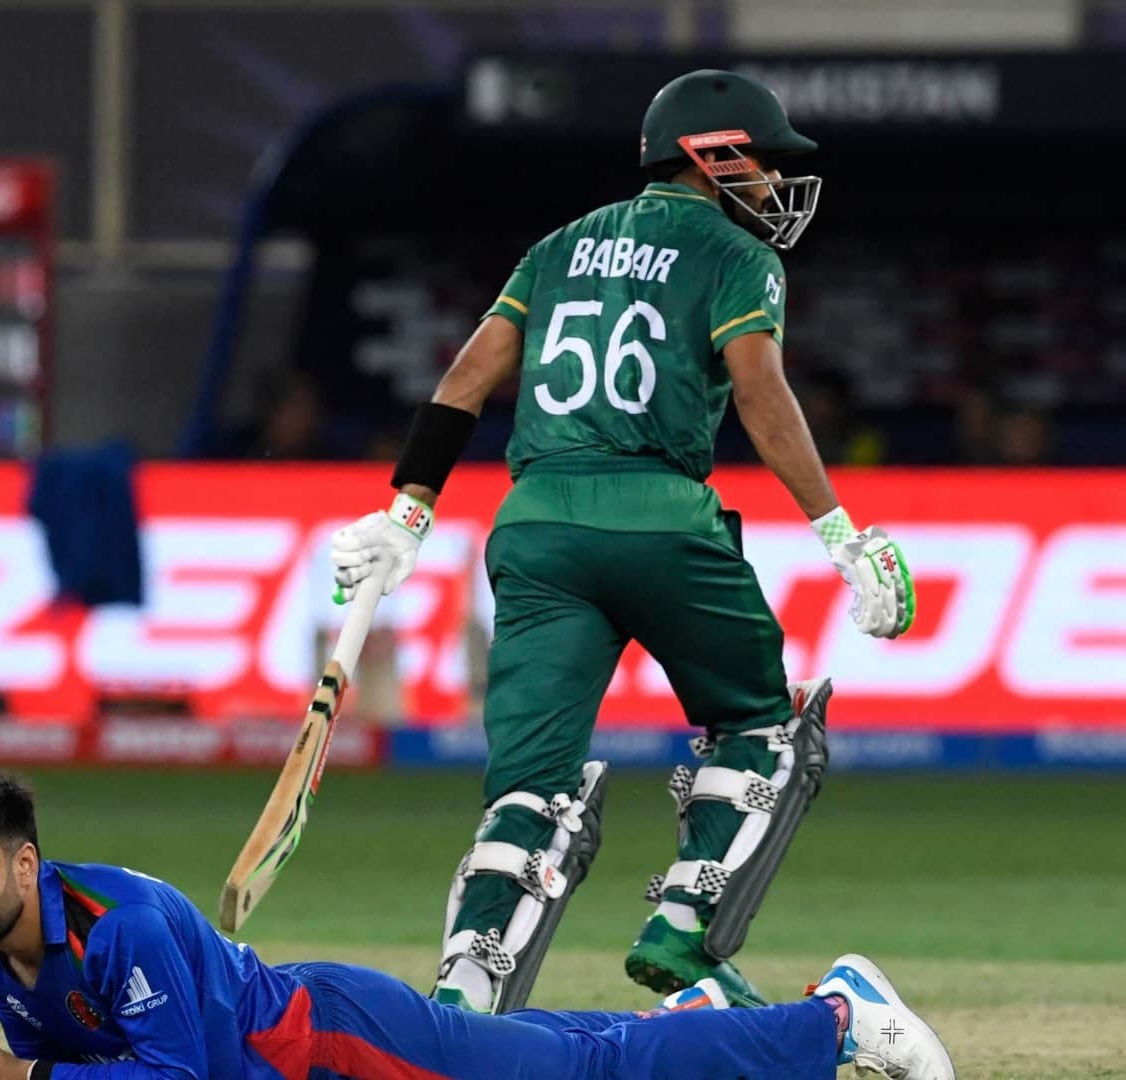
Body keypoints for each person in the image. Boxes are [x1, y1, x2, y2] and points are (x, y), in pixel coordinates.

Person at [325, 68, 919, 1013]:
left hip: (537, 532)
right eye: (761, 163)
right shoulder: (734, 254)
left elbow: (465, 380)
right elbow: (761, 394)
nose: (772, 185)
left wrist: (408, 509)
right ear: (712, 155)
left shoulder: (557, 247)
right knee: (769, 731)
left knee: (527, 789)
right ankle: (686, 925)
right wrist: (840, 532)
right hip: (661, 521)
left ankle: (468, 993)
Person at [0, 762, 954, 1080]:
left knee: (594, 1078)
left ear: (23, 862)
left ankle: (834, 1016)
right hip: (316, 1047)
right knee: (576, 1051)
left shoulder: (117, 924)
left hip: (340, 1045)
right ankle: (696, 1010)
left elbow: (178, 1079)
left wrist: (27, 1078)